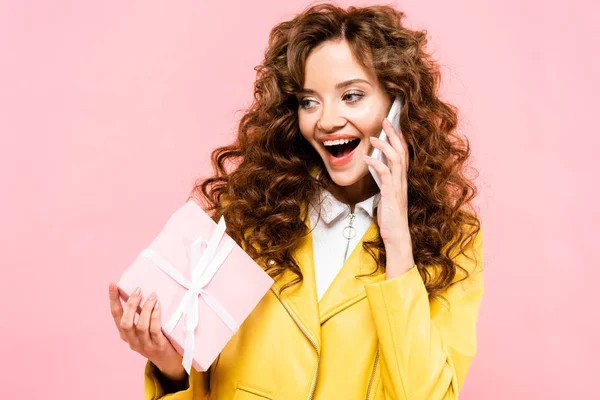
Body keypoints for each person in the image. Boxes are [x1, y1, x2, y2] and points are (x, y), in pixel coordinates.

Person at [108, 3, 484, 399]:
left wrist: (397, 240)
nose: (326, 121)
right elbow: (208, 383)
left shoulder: (453, 240)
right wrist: (170, 368)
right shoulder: (251, 218)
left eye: (352, 96)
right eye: (309, 101)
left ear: (398, 104)